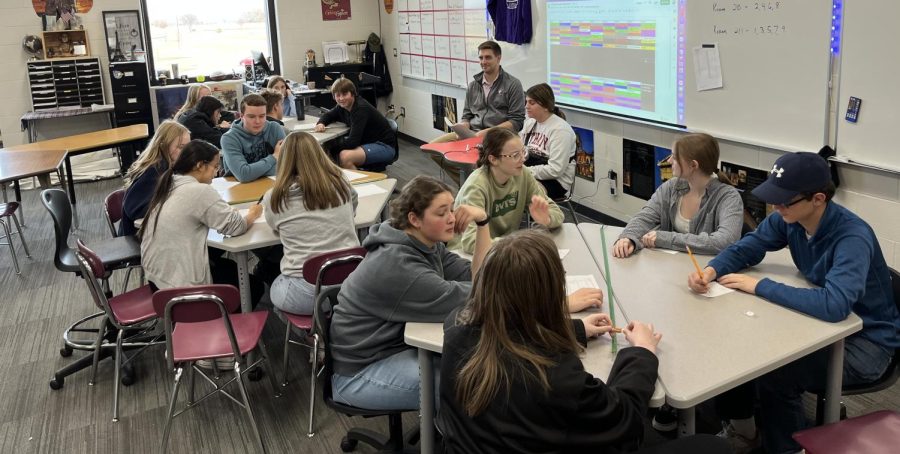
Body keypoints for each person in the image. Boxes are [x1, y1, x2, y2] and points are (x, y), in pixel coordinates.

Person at [438, 230, 728, 454]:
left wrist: (576, 329)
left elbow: (512, 330)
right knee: (712, 447)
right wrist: (642, 352)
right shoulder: (555, 376)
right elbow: (625, 419)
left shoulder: (456, 326)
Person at [687, 152, 900, 454]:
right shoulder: (789, 218)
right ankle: (745, 429)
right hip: (823, 328)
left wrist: (760, 286)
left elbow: (834, 305)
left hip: (868, 345)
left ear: (818, 199)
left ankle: (788, 449)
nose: (776, 207)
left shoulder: (852, 236)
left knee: (777, 373)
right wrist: (712, 269)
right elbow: (751, 245)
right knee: (742, 344)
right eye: (774, 199)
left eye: (785, 201)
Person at [329, 176, 493, 410]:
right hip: (359, 373)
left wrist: (483, 222)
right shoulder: (398, 266)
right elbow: (479, 296)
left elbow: (477, 279)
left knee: (472, 369)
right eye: (441, 213)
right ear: (414, 219)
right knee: (467, 384)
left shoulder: (425, 243)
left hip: (392, 349)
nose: (452, 219)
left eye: (452, 210)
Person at [139, 140, 263, 301]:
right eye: (215, 166)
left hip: (158, 279)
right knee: (254, 287)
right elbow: (237, 227)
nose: (217, 172)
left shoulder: (170, 182)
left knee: (227, 266)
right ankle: (218, 322)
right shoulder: (199, 191)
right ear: (200, 165)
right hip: (181, 286)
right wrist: (254, 213)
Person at [263, 131, 360, 316]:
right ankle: (333, 322)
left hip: (307, 291)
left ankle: (314, 333)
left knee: (274, 290)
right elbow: (352, 209)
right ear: (319, 154)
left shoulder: (275, 197)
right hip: (351, 283)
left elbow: (275, 227)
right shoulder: (341, 183)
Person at [613, 133, 744, 258]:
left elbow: (725, 241)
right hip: (671, 267)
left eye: (675, 157)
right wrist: (628, 237)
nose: (669, 160)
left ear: (693, 165)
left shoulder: (728, 197)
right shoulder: (672, 187)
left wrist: (666, 239)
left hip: (705, 272)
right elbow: (645, 216)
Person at [430, 40, 526, 184]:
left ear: (498, 58)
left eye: (488, 57)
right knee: (433, 149)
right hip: (472, 134)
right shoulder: (473, 85)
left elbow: (516, 122)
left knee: (480, 163)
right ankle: (469, 184)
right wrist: (463, 126)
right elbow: (467, 114)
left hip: (498, 137)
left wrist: (487, 132)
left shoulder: (513, 84)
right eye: (481, 58)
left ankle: (477, 186)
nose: (483, 61)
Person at [119, 121, 190, 236]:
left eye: (188, 147)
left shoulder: (172, 166)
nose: (186, 152)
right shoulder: (154, 170)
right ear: (163, 146)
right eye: (181, 147)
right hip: (140, 238)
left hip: (156, 232)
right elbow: (134, 210)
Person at [314, 78, 396, 170]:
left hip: (384, 146)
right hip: (368, 143)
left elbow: (353, 142)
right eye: (338, 95)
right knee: (333, 151)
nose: (341, 98)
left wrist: (331, 148)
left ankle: (359, 183)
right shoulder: (342, 106)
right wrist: (321, 123)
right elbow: (329, 115)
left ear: (353, 94)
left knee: (344, 157)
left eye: (345, 94)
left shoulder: (360, 109)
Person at [520, 83, 576, 200]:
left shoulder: (561, 130)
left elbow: (555, 170)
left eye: (532, 103)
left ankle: (535, 217)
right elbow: (521, 149)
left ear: (546, 106)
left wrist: (524, 172)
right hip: (530, 172)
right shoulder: (530, 123)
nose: (526, 106)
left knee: (516, 193)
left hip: (555, 182)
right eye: (526, 102)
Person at [220, 93, 286, 182]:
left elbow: (286, 167)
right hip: (240, 190)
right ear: (241, 116)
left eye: (262, 116)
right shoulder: (229, 138)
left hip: (271, 186)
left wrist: (252, 172)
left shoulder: (275, 128)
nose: (258, 121)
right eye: (251, 117)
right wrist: (274, 157)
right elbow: (243, 175)